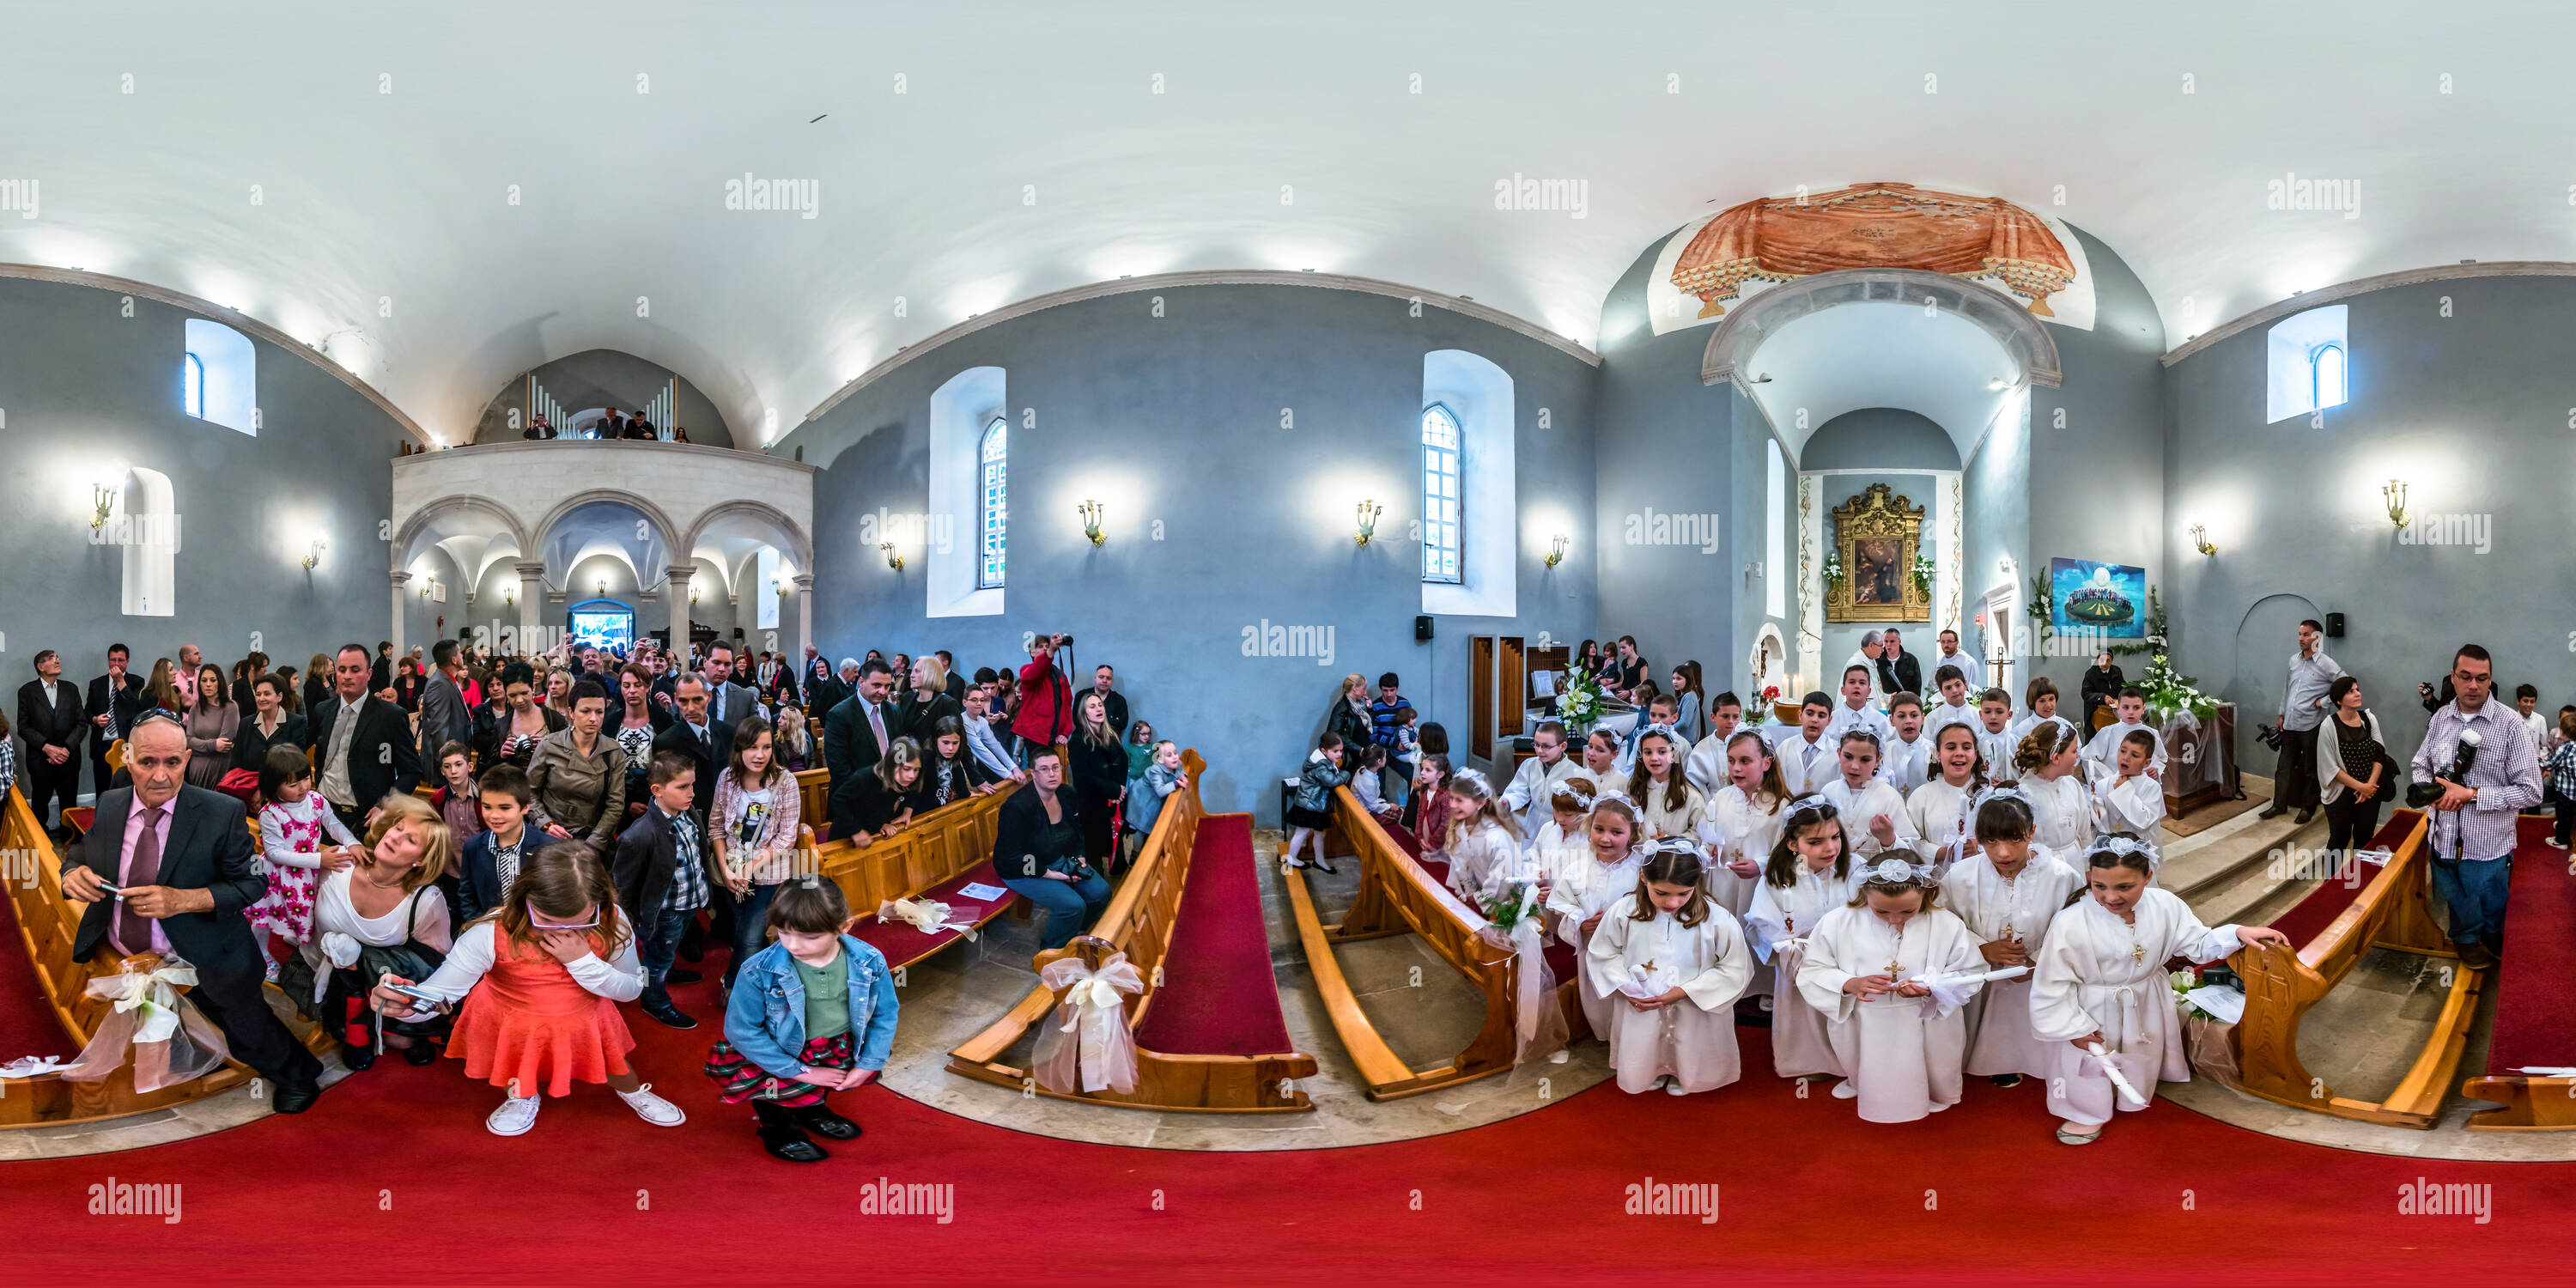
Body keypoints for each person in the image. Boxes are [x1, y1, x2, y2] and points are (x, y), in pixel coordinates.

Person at [63, 715, 327, 1113]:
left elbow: (252, 884)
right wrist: (72, 873)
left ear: (187, 759)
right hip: (131, 950)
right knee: (177, 1021)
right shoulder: (111, 802)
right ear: (128, 759)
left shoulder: (220, 813)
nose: (160, 775)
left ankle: (299, 1076)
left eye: (172, 762)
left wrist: (183, 900)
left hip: (205, 952)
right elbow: (84, 851)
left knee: (246, 1027)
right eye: (147, 762)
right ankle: (191, 1062)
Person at [371, 841, 686, 1136]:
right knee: (517, 1065)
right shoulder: (488, 933)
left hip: (585, 1018)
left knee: (613, 1063)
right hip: (511, 1019)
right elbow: (442, 992)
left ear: (599, 904)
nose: (563, 932)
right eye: (548, 920)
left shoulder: (612, 922)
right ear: (524, 900)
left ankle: (632, 1091)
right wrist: (408, 1006)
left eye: (581, 922)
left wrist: (582, 961)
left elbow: (632, 988)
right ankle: (523, 1097)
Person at [2029, 835, 2288, 1144]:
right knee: (2090, 1062)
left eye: (2124, 887)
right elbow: (2052, 981)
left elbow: (2197, 943)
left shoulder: (2165, 905)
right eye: (2100, 886)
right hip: (2093, 1005)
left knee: (2141, 1049)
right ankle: (2085, 1111)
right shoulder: (2070, 921)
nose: (2111, 897)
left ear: (2148, 876)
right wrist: (2071, 1026)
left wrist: (2237, 932)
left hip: (2146, 997)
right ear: (2089, 878)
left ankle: (2133, 1091)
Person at [708, 877, 899, 1162]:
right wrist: (798, 1071)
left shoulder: (869, 960)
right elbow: (742, 1030)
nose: (793, 945)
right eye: (784, 932)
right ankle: (779, 1131)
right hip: (777, 1051)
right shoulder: (757, 970)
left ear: (844, 926)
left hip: (835, 1042)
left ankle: (813, 1111)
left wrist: (870, 1060)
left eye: (810, 937)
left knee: (824, 1082)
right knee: (773, 1097)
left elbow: (884, 1014)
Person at [1796, 850, 1985, 1122]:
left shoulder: (1946, 924)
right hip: (1866, 1015)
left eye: (1908, 911)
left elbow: (1970, 971)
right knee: (1865, 1060)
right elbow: (1813, 967)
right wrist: (1849, 982)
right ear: (1865, 895)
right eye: (1881, 911)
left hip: (1926, 1016)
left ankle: (1935, 1092)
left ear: (1926, 894)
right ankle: (1860, 1084)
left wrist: (1933, 988)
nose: (1895, 919)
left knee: (1935, 1060)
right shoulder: (1839, 921)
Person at [1936, 788, 2083, 1088]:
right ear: (1978, 837)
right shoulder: (1960, 876)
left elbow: (2075, 927)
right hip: (1981, 977)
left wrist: (2038, 960)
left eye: (2015, 839)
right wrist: (1982, 949)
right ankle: (1987, 1057)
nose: (2003, 853)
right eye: (1991, 841)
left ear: (2032, 831)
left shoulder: (2061, 876)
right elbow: (1941, 923)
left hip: (2040, 975)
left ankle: (2041, 1058)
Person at [2409, 644, 2543, 970]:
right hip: (2442, 833)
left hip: (2488, 843)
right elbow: (2419, 765)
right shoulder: (2441, 717)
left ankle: (2494, 937)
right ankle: (2466, 940)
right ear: (2453, 677)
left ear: (2490, 680)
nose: (2473, 685)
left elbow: (2531, 791)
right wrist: (2436, 792)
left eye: (2481, 678)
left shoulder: (2511, 725)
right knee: (2456, 899)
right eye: (2465, 677)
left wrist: (2471, 795)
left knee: (2491, 901)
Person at [1584, 844, 1754, 1096]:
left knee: (1690, 1040)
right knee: (1646, 1040)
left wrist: (1686, 991)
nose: (1672, 902)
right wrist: (1625, 986)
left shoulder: (1717, 919)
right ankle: (1651, 1069)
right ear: (1643, 877)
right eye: (1661, 892)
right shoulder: (1624, 912)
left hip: (1693, 1005)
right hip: (1643, 1001)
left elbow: (1734, 967)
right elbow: (1604, 953)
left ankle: (1686, 1073)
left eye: (1683, 893)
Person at [306, 794, 455, 1072]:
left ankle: (410, 1033)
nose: (396, 838)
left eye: (411, 840)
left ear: (421, 860)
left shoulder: (425, 900)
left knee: (402, 1042)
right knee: (339, 1024)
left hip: (381, 976)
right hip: (322, 967)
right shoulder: (338, 863)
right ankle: (356, 1029)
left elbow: (435, 963)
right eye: (398, 828)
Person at [1741, 797, 1853, 1085]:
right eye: (1815, 842)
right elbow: (1761, 922)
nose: (1830, 848)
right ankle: (1808, 1059)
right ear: (1793, 844)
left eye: (1835, 837)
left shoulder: (1854, 868)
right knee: (1805, 1015)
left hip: (1847, 962)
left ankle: (1849, 1057)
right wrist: (1789, 947)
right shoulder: (1777, 878)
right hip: (1799, 964)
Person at [613, 751, 720, 1030]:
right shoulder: (639, 835)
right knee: (654, 959)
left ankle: (667, 969)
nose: (692, 793)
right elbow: (625, 885)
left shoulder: (687, 813)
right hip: (664, 913)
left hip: (689, 904)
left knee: (665, 952)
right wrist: (639, 920)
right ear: (657, 791)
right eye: (683, 787)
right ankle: (653, 999)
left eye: (692, 785)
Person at [250, 744, 363, 979]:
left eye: (304, 779)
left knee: (305, 911)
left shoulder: (316, 800)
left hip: (308, 870)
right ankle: (261, 955)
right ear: (274, 786)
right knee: (265, 916)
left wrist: (352, 843)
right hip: (280, 875)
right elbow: (274, 853)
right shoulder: (271, 814)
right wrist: (319, 859)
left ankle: (294, 932)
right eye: (292, 784)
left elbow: (333, 825)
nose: (302, 787)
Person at [713, 717, 802, 990]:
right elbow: (715, 828)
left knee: (749, 936)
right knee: (742, 931)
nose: (760, 755)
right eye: (752, 747)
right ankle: (775, 978)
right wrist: (726, 869)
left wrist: (751, 867)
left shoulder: (785, 782)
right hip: (733, 866)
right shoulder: (727, 778)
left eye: (766, 747)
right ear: (740, 749)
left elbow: (787, 837)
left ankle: (733, 988)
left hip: (770, 872)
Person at [1546, 794, 1643, 1037]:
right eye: (1599, 829)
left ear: (1632, 834)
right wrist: (1580, 921)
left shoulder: (1642, 869)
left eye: (1616, 832)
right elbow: (1559, 902)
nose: (1605, 838)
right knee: (1599, 999)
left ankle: (1630, 1037)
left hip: (1632, 950)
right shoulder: (1579, 867)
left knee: (1628, 997)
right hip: (1593, 946)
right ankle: (1605, 1033)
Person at [991, 749, 1106, 951]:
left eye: (1055, 767)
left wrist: (1078, 857)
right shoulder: (1016, 807)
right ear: (1033, 774)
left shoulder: (1067, 793)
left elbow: (1078, 831)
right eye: (1044, 769)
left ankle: (1076, 931)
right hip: (1022, 868)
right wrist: (1049, 874)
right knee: (1072, 906)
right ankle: (1052, 951)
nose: (1052, 774)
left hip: (1060, 857)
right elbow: (1010, 857)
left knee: (1101, 892)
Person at [308, 644, 427, 837]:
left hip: (365, 817)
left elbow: (411, 771)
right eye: (342, 670)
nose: (347, 676)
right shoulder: (323, 710)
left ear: (369, 673)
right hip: (324, 813)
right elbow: (320, 757)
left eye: (355, 670)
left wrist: (386, 806)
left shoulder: (390, 715)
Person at [2257, 620, 2346, 824]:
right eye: (2300, 634)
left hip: (2311, 726)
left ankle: (2308, 807)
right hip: (2289, 724)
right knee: (2284, 767)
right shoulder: (2293, 661)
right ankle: (2279, 805)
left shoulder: (2327, 663)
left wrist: (2323, 702)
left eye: (2306, 634)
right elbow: (2287, 689)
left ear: (2317, 638)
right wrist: (2282, 715)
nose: (2301, 638)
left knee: (2310, 769)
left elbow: (2345, 685)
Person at [526, 679, 628, 850]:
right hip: (550, 836)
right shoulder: (550, 745)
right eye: (585, 711)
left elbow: (615, 803)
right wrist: (546, 824)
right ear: (571, 712)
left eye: (599, 712)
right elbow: (529, 792)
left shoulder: (612, 751)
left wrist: (594, 842)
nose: (593, 718)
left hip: (591, 839)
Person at [2317, 676, 2391, 862]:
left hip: (2370, 792)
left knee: (2365, 839)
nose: (2357, 694)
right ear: (2339, 700)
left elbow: (2380, 753)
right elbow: (2329, 768)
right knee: (2338, 840)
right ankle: (2330, 886)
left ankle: (2360, 884)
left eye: (2357, 689)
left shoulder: (2368, 718)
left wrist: (2370, 785)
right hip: (2341, 794)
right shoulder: (2329, 725)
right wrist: (2360, 786)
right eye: (2351, 691)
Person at [825, 660, 901, 829]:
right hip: (855, 809)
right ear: (861, 681)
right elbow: (840, 770)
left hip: (889, 804)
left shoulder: (894, 712)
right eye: (876, 685)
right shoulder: (839, 715)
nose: (882, 691)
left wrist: (898, 798)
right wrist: (873, 817)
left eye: (887, 686)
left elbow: (898, 757)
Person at [457, 765, 536, 924]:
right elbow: (467, 894)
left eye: (505, 808)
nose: (494, 815)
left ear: (525, 807)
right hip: (487, 930)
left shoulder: (546, 847)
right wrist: (479, 926)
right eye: (487, 807)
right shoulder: (473, 847)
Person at [17, 650, 84, 835]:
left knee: (69, 806)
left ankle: (70, 844)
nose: (58, 661)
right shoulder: (27, 692)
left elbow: (81, 723)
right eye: (53, 659)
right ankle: (42, 845)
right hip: (41, 760)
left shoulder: (71, 689)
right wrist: (48, 748)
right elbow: (23, 727)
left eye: (58, 658)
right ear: (41, 666)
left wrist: (65, 749)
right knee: (39, 806)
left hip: (68, 759)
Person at [1822, 732, 1918, 860]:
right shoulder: (1828, 791)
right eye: (1848, 757)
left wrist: (1889, 839)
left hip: (1873, 875)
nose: (1855, 766)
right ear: (1839, 753)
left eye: (1865, 759)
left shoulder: (1889, 796)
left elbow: (1910, 848)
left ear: (1878, 760)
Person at [1441, 768, 1529, 906]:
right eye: (1451, 798)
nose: (1452, 805)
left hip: (1505, 905)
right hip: (1480, 897)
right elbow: (1461, 865)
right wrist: (1469, 891)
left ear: (1480, 803)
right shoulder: (1461, 828)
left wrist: (1477, 898)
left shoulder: (1497, 837)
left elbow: (1503, 885)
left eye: (1459, 800)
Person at [1066, 692, 1127, 865]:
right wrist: (1113, 790)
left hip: (1115, 799)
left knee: (1116, 841)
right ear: (1084, 714)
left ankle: (1120, 872)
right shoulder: (1077, 741)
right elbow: (1083, 778)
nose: (1098, 709)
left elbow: (1123, 761)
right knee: (1095, 849)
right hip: (1093, 804)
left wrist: (1120, 788)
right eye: (1092, 706)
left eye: (1100, 705)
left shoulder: (1111, 733)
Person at [2016, 720, 2093, 854]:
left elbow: (2084, 831)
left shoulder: (2073, 785)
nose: (2078, 755)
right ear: (2056, 758)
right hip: (2044, 866)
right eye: (2074, 751)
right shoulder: (2024, 794)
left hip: (2076, 861)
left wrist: (2087, 866)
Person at [475, 661, 566, 773]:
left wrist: (550, 748)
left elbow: (570, 757)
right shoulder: (501, 725)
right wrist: (502, 755)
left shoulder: (554, 719)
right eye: (512, 695)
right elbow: (490, 766)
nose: (519, 700)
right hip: (513, 786)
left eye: (524, 693)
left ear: (533, 687)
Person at [836, 737, 926, 844]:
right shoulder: (864, 777)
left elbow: (914, 790)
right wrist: (857, 830)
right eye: (907, 769)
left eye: (916, 770)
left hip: (874, 837)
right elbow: (838, 802)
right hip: (846, 838)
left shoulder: (905, 779)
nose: (912, 776)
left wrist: (907, 812)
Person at [1282, 732, 1349, 873]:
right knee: (1302, 832)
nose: (1339, 754)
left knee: (1320, 833)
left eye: (1341, 751)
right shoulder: (1320, 766)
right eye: (1335, 751)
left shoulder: (1325, 761)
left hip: (1317, 804)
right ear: (1324, 751)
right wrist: (1346, 774)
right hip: (1309, 805)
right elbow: (1331, 781)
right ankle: (1291, 859)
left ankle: (1319, 860)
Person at [87, 643, 146, 798]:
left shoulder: (137, 682)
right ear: (108, 661)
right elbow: (87, 712)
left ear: (127, 662)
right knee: (102, 789)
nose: (117, 664)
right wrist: (95, 719)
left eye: (120, 660)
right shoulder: (96, 684)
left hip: (126, 744)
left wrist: (120, 682)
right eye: (113, 660)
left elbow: (136, 709)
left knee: (125, 788)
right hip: (102, 744)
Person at [1011, 635, 1077, 765]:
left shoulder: (1060, 675)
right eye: (1041, 647)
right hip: (1036, 735)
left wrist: (1065, 733)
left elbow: (1067, 704)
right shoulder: (1026, 670)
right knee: (1039, 772)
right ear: (1032, 652)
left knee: (1055, 773)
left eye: (1048, 646)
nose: (1046, 649)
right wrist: (1051, 651)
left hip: (1056, 736)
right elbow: (1034, 676)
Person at [2092, 730, 2168, 839]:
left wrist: (2123, 791)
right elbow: (2098, 823)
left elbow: (2144, 822)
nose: (2126, 758)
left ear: (2146, 763)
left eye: (2134, 755)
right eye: (2123, 751)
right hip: (2110, 849)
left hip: (2140, 849)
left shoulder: (2152, 787)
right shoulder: (2102, 785)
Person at [1499, 720, 1578, 823]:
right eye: (1536, 745)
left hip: (1557, 824)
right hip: (1532, 823)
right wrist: (1508, 802)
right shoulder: (1529, 765)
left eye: (1546, 746)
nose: (1539, 750)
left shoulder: (1576, 773)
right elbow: (1518, 791)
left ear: (1562, 746)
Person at [232, 674, 309, 779]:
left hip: (282, 788)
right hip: (249, 790)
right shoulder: (245, 724)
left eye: (267, 694)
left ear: (279, 696)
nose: (261, 698)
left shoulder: (296, 723)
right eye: (258, 694)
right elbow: (235, 763)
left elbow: (298, 763)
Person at [2081, 688, 2166, 779]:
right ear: (2118, 708)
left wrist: (2156, 769)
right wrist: (2109, 778)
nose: (2131, 712)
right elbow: (2088, 757)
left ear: (2143, 709)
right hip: (2117, 786)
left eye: (2136, 708)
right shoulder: (2107, 733)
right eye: (2126, 707)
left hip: (2143, 785)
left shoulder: (2152, 734)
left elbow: (2161, 758)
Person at [921, 716, 1000, 811]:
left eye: (955, 743)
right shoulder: (927, 757)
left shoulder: (953, 753)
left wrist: (966, 793)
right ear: (935, 739)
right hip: (926, 811)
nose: (951, 748)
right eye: (945, 742)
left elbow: (957, 771)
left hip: (943, 805)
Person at [182, 662, 239, 787]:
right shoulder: (195, 709)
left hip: (219, 770)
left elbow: (224, 744)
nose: (208, 684)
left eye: (213, 680)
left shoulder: (230, 707)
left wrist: (199, 746)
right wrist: (213, 745)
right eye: (204, 680)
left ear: (220, 682)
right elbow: (188, 741)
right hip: (195, 772)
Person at [418, 640, 474, 766]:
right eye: (460, 653)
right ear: (454, 660)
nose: (462, 656)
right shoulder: (439, 684)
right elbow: (439, 729)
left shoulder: (446, 679)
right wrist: (449, 765)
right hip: (446, 766)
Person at [1774, 692, 1838, 797]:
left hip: (1823, 811)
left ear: (1829, 720)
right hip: (1788, 809)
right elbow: (1775, 784)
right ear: (1800, 715)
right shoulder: (1785, 748)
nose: (1814, 720)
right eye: (1809, 713)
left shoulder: (1836, 753)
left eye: (1821, 716)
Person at [959, 684, 1024, 782]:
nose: (979, 703)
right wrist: (1008, 774)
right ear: (964, 703)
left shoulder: (982, 721)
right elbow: (981, 750)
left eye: (982, 700)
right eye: (974, 700)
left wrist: (1014, 768)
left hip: (971, 769)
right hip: (957, 770)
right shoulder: (963, 721)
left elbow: (995, 745)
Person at [894, 654, 962, 744]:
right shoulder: (907, 698)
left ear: (931, 674)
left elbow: (958, 739)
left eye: (917, 671)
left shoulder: (947, 704)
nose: (912, 675)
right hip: (908, 756)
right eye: (913, 671)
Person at [1131, 739, 1190, 840]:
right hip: (1144, 801)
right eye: (1169, 755)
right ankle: (1135, 853)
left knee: (1154, 825)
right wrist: (1177, 783)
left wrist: (1183, 776)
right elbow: (1160, 790)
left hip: (1155, 800)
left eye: (1175, 753)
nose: (1174, 757)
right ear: (1160, 759)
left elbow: (1180, 771)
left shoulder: (1177, 763)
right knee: (1142, 828)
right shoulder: (1155, 770)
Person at [701, 641, 759, 730]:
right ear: (705, 662)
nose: (722, 669)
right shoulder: (687, 694)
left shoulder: (746, 698)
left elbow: (754, 733)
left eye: (727, 664)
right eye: (716, 662)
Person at [2545, 712, 2576, 850]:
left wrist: (2538, 758)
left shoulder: (2564, 749)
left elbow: (2550, 765)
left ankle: (2561, 840)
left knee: (2563, 813)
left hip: (2565, 792)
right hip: (2574, 792)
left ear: (2563, 731)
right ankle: (2564, 827)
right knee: (2570, 814)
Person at [1323, 671, 1373, 752]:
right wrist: (1359, 749)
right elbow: (1335, 735)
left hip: (1362, 752)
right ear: (1355, 688)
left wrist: (1370, 709)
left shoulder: (1359, 706)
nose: (1365, 693)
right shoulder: (1341, 708)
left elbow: (1366, 728)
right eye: (1364, 688)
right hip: (1352, 756)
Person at [2078, 650, 2125, 733]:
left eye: (2108, 660)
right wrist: (2102, 697)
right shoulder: (2091, 674)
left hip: (2114, 712)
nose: (2105, 663)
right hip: (2096, 712)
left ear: (2112, 661)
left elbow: (2123, 687)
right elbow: (2086, 694)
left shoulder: (2116, 671)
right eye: (2102, 660)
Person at [1839, 632, 1889, 709]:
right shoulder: (1855, 663)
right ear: (1871, 645)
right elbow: (1851, 694)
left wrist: (1889, 698)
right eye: (1881, 646)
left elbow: (1875, 691)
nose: (1883, 650)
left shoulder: (1871, 661)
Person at [1930, 628, 1983, 694]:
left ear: (1957, 642)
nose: (1946, 645)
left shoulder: (1968, 662)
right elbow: (1933, 687)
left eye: (1949, 641)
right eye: (1943, 642)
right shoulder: (1939, 664)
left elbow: (1974, 688)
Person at [1875, 628, 1923, 700]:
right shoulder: (1877, 660)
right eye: (1886, 641)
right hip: (1884, 703)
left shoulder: (1911, 660)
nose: (1888, 644)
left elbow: (1917, 687)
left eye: (1892, 641)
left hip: (1906, 702)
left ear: (1899, 641)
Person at [1085, 664, 1129, 738]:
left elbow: (1123, 724)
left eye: (1108, 678)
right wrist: (1111, 720)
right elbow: (1078, 720)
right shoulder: (1082, 696)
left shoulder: (1119, 700)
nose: (1105, 680)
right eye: (1101, 677)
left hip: (1111, 743)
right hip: (1086, 741)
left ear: (1112, 680)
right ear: (1095, 678)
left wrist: (1093, 720)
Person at [1612, 635, 1649, 703]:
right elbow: (1623, 682)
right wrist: (1611, 686)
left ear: (1631, 646)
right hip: (1625, 699)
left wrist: (1630, 692)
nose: (1621, 650)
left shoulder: (1641, 662)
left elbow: (1643, 683)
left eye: (1624, 647)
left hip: (1637, 698)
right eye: (1620, 648)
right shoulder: (1624, 662)